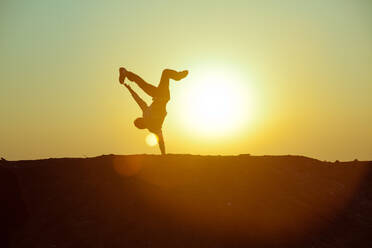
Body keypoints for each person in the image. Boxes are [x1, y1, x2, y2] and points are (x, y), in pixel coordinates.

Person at [119, 67, 188, 155]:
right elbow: (161, 141)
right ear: (142, 125)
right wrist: (163, 154)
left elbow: (138, 100)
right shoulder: (153, 127)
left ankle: (125, 73)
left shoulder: (146, 115)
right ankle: (178, 76)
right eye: (140, 121)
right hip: (162, 96)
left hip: (159, 95)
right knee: (164, 73)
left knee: (146, 81)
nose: (141, 119)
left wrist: (129, 89)